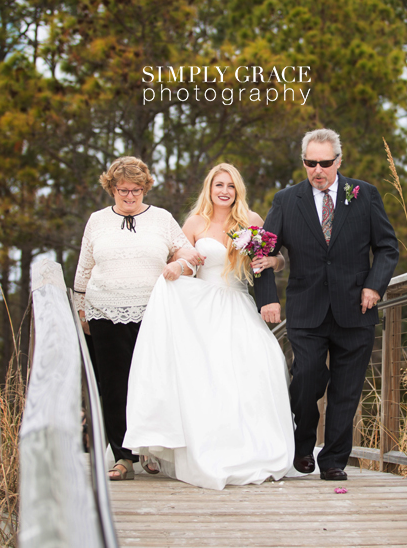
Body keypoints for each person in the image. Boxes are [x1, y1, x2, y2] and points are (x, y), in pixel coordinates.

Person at [122, 163, 296, 490]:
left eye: (230, 185)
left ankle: (254, 448)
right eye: (219, 185)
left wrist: (274, 261)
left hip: (238, 301)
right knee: (207, 377)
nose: (225, 191)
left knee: (263, 364)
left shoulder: (252, 221)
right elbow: (188, 262)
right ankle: (205, 444)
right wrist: (177, 265)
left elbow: (276, 258)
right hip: (202, 307)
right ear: (210, 188)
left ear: (237, 190)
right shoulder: (194, 223)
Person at [255, 128, 399, 481]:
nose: (317, 169)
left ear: (339, 161)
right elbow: (262, 253)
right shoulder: (287, 200)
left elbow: (387, 247)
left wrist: (374, 287)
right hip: (307, 310)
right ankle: (301, 445)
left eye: (324, 163)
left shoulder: (365, 194)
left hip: (356, 309)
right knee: (306, 379)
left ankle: (334, 459)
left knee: (346, 390)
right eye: (310, 163)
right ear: (303, 161)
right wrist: (268, 299)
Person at [73, 156, 204, 481]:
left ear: (145, 188)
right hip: (104, 311)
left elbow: (189, 253)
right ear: (111, 189)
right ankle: (123, 457)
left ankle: (150, 448)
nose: (129, 197)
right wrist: (81, 308)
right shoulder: (97, 220)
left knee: (151, 383)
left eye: (135, 190)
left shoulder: (161, 219)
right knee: (114, 386)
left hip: (152, 313)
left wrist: (181, 261)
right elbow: (84, 268)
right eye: (122, 190)